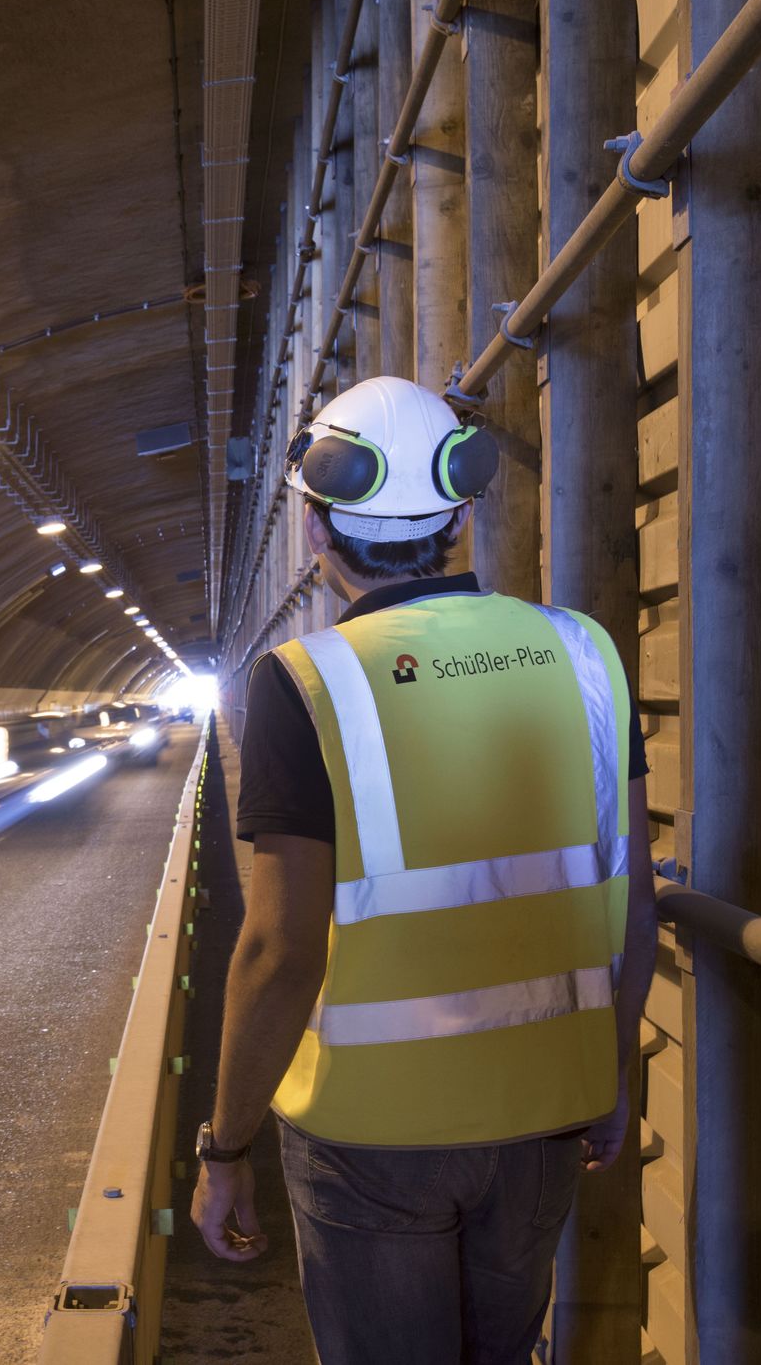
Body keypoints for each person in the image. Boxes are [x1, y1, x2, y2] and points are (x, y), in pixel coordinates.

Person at [190, 375, 658, 1365]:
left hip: (373, 1138)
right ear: (461, 509)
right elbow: (630, 900)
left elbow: (279, 950)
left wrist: (223, 1144)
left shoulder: (305, 683)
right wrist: (608, 1070)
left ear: (316, 533)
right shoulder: (581, 654)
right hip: (544, 1111)